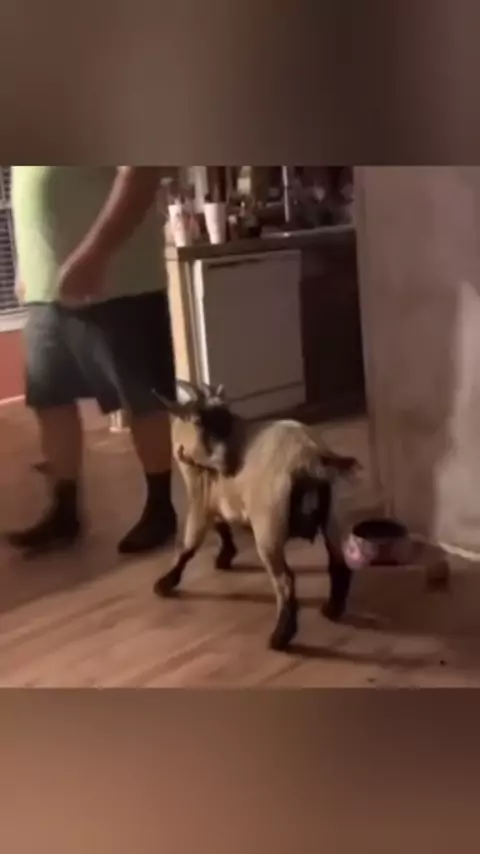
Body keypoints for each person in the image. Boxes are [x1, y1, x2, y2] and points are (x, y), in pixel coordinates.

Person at [8, 166, 177, 555]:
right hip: (45, 290)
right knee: (51, 399)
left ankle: (160, 510)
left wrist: (95, 254)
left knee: (143, 399)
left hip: (119, 283)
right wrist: (24, 266)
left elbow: (141, 174)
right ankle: (64, 512)